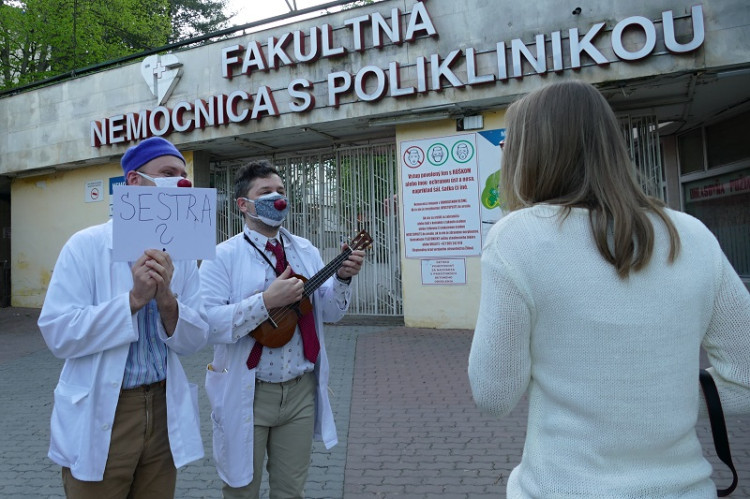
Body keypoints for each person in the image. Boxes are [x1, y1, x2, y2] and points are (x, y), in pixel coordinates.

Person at [468, 80, 750, 497]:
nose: (505, 149)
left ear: (535, 153)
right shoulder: (692, 235)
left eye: (512, 140)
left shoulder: (518, 238)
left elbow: (494, 395)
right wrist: (660, 393)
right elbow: (744, 377)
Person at [38, 136, 209, 498]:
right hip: (106, 410)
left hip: (162, 409)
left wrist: (167, 301)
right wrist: (132, 301)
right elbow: (58, 333)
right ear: (134, 182)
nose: (180, 183)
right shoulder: (85, 245)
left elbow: (196, 339)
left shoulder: (184, 249)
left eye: (183, 174)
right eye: (167, 173)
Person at [199, 160, 365, 498]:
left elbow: (330, 313)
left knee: (291, 490)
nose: (277, 198)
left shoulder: (306, 250)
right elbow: (207, 323)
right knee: (241, 488)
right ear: (243, 205)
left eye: (281, 191)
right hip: (249, 390)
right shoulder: (222, 256)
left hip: (300, 391)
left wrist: (343, 278)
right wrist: (264, 302)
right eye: (265, 192)